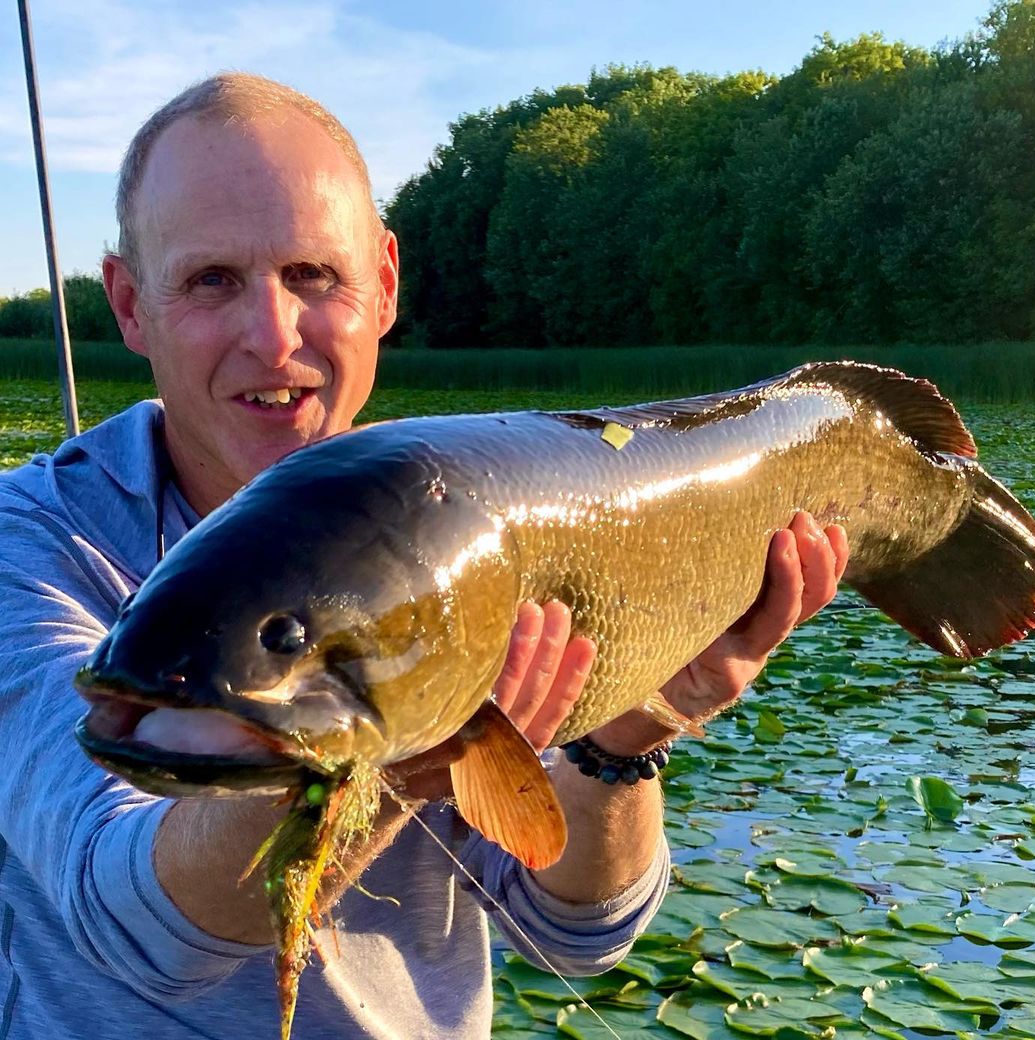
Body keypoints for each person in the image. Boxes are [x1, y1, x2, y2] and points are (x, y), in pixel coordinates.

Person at [0, 73, 847, 1040]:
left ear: (386, 285)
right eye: (211, 281)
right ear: (129, 304)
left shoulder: (472, 532)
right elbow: (135, 925)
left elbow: (578, 933)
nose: (273, 338)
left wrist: (634, 728)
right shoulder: (28, 542)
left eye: (313, 276)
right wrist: (404, 758)